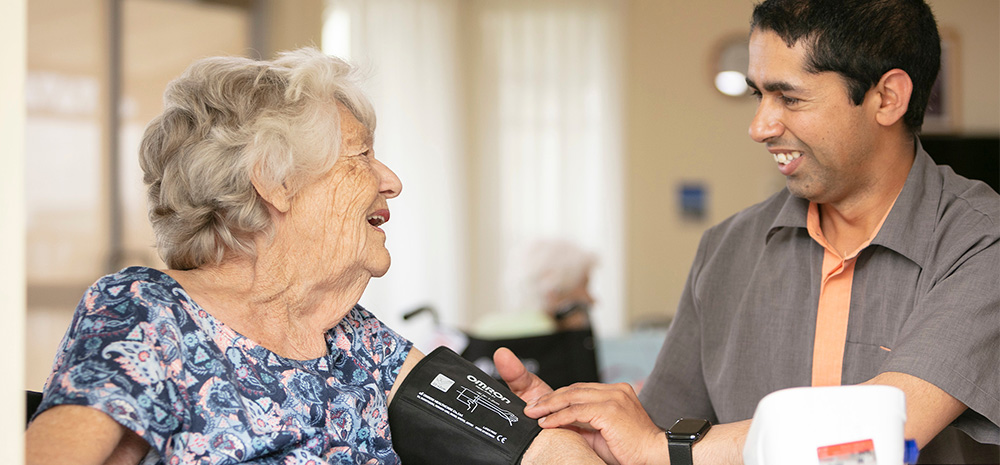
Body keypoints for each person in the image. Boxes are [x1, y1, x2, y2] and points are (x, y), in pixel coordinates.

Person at [24, 48, 600, 465]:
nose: (392, 181)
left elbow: (551, 453)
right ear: (274, 181)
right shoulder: (148, 313)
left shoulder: (358, 341)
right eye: (362, 155)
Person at [495, 0, 999, 464]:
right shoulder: (726, 248)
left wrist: (656, 446)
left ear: (887, 97)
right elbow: (652, 437)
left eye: (789, 98)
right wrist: (579, 431)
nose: (759, 126)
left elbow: (888, 425)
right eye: (759, 94)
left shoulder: (982, 242)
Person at [472, 238, 598, 338]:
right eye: (584, 285)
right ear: (555, 290)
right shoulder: (557, 339)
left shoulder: (484, 326)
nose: (592, 299)